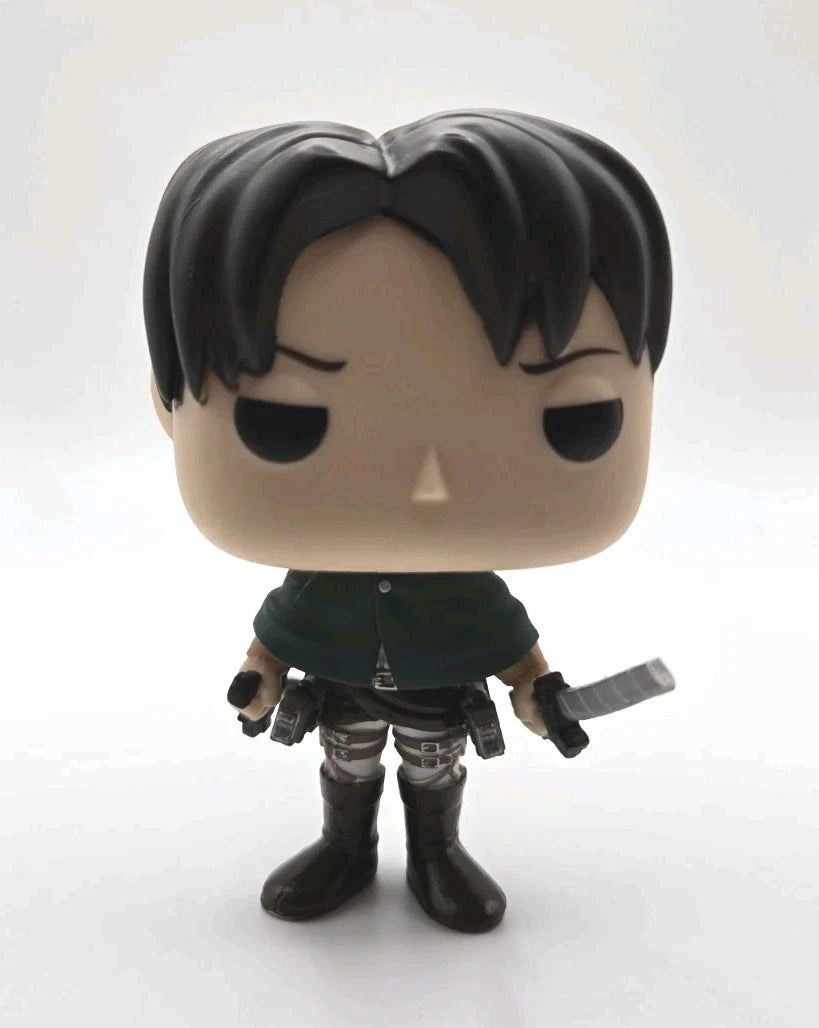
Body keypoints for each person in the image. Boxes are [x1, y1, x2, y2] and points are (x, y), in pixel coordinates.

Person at [144, 109, 672, 932]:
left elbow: (513, 647)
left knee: (433, 771)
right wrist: (259, 679)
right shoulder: (318, 584)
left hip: (436, 704)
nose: (430, 484)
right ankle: (343, 847)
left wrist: (538, 691)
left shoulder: (464, 590)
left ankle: (437, 854)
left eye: (574, 418)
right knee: (346, 765)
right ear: (167, 404)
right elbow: (274, 637)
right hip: (343, 694)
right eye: (284, 420)